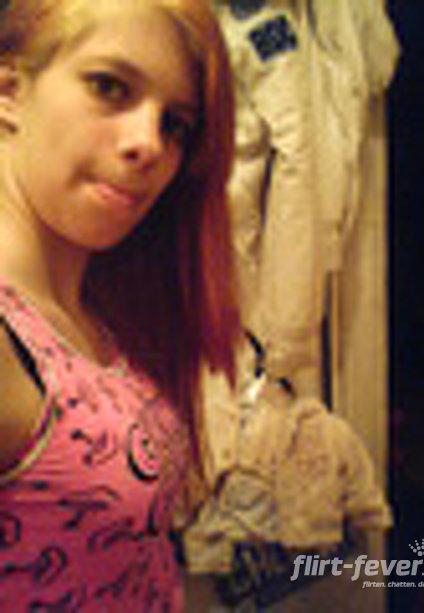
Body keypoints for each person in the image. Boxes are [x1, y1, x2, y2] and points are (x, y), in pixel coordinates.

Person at [0, 0, 239, 610]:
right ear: (9, 91)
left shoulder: (98, 316)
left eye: (175, 124)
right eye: (109, 87)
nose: (148, 144)